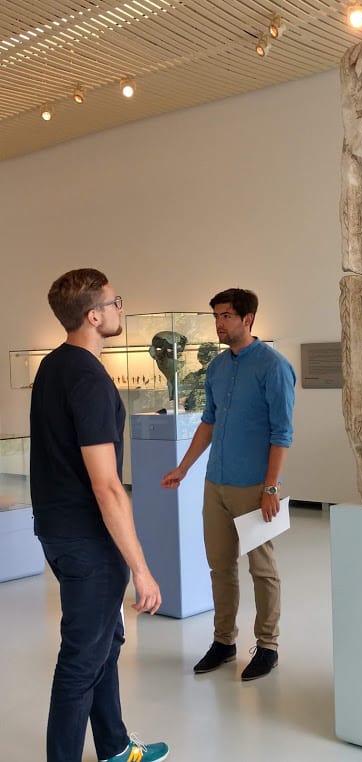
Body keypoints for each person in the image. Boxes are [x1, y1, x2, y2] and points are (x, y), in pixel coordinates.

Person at [30, 268, 169, 762]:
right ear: (94, 315)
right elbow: (107, 485)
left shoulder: (54, 366)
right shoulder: (88, 380)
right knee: (81, 659)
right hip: (87, 538)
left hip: (57, 530)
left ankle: (113, 746)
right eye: (115, 303)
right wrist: (141, 569)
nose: (120, 309)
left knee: (105, 642)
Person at [161, 288, 295, 681]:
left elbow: (282, 432)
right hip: (215, 484)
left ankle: (267, 646)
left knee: (262, 569)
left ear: (248, 318)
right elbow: (209, 421)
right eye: (216, 316)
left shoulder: (274, 367)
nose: (219, 324)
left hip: (255, 488)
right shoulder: (218, 368)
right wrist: (184, 467)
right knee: (220, 568)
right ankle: (224, 641)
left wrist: (271, 487)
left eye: (226, 316)